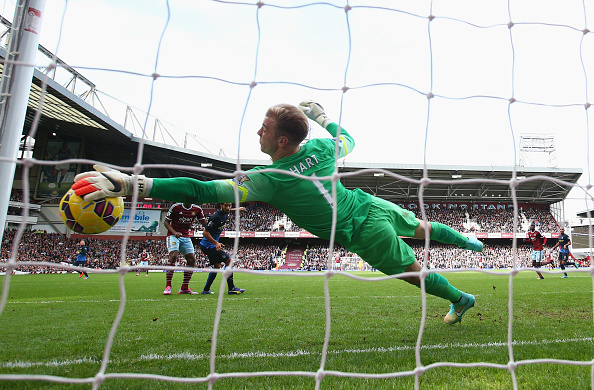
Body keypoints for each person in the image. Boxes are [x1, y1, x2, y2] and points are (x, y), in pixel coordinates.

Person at [71, 100, 483, 324]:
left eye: (264, 128)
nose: (258, 132)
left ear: (282, 140)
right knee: (422, 226)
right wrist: (322, 117)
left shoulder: (268, 178)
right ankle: (469, 241)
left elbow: (202, 188)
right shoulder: (321, 149)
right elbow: (348, 139)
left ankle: (460, 297)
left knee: (411, 272)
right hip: (367, 203)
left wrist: (132, 183)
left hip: (360, 229)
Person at [200, 203, 247, 295]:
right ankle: (231, 288)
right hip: (209, 246)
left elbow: (228, 210)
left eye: (230, 205)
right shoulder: (215, 217)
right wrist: (216, 243)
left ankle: (206, 290)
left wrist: (237, 209)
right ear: (221, 205)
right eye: (226, 205)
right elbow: (205, 233)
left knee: (217, 266)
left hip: (209, 245)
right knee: (229, 261)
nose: (228, 208)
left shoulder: (224, 213)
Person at [162, 203, 207, 295]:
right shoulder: (175, 207)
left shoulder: (197, 209)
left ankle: (184, 288)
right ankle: (168, 286)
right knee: (173, 256)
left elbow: (204, 223)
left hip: (186, 236)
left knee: (192, 260)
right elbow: (166, 222)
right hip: (173, 235)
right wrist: (174, 232)